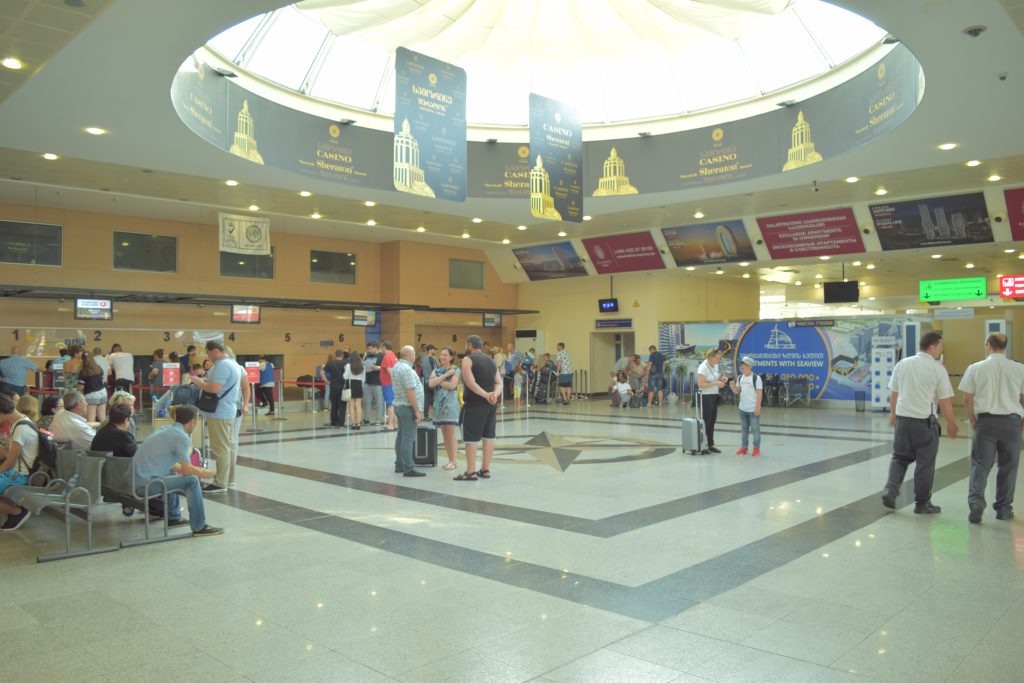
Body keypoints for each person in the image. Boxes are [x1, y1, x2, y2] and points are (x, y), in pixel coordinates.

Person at [881, 331, 958, 514]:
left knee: (899, 458)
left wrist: (892, 414)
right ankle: (922, 503)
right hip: (924, 424)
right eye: (940, 346)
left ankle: (890, 491)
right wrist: (951, 423)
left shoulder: (903, 364)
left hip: (903, 421)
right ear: (932, 346)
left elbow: (894, 393)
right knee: (925, 464)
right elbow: (945, 400)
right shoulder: (937, 368)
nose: (941, 349)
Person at [958, 332, 1024, 523]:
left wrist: (972, 419)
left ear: (988, 345)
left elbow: (967, 397)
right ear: (1005, 346)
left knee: (981, 464)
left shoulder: (975, 368)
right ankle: (1003, 509)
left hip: (985, 423)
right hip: (1011, 423)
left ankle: (977, 503)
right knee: (1008, 466)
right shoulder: (1019, 368)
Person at [132, 404, 222, 536]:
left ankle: (173, 517)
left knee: (170, 473)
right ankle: (199, 526)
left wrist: (197, 470)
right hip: (145, 486)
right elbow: (186, 470)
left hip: (135, 481)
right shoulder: (181, 437)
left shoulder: (165, 430)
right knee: (191, 481)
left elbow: (172, 465)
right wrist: (203, 472)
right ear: (193, 421)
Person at [188, 340, 241, 494]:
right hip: (227, 411)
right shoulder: (233, 364)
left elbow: (214, 388)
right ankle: (229, 479)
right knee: (228, 447)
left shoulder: (223, 365)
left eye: (208, 353)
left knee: (221, 448)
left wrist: (199, 382)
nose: (208, 357)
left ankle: (220, 483)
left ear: (215, 351)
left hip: (220, 412)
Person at [456, 335, 501, 481]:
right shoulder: (491, 360)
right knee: (489, 435)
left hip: (475, 404)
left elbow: (470, 383)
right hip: (491, 405)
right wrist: (494, 394)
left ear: (469, 345)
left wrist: (486, 395)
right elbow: (499, 382)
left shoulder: (467, 360)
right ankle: (485, 469)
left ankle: (471, 471)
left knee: (471, 437)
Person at [0, 392, 34, 531]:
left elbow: (9, 462)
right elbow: (8, 452)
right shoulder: (17, 423)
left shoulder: (21, 428)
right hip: (14, 470)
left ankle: (17, 512)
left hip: (18, 474)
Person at [391, 346, 426, 477]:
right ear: (410, 355)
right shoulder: (406, 370)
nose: (415, 355)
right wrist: (417, 411)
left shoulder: (396, 367)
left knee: (401, 436)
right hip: (407, 407)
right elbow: (410, 391)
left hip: (399, 405)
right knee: (408, 438)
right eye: (414, 353)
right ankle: (408, 468)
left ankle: (399, 464)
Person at [428, 347, 461, 470]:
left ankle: (454, 461)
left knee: (451, 434)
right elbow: (430, 384)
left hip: (450, 405)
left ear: (451, 357)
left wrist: (437, 380)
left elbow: (452, 385)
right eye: (441, 354)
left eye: (445, 355)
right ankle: (450, 460)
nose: (442, 357)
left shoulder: (456, 369)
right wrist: (445, 376)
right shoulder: (437, 370)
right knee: (444, 434)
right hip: (439, 406)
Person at [731, 356, 763, 456]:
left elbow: (759, 394)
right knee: (744, 429)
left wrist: (758, 407)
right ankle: (744, 447)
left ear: (749, 367)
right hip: (742, 409)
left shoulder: (756, 378)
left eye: (743, 366)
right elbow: (737, 391)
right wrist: (733, 387)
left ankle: (756, 448)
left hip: (753, 409)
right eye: (740, 366)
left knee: (755, 429)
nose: (741, 368)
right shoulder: (740, 378)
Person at [696, 349, 727, 454]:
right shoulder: (703, 367)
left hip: (714, 395)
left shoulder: (715, 365)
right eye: (717, 358)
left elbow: (716, 377)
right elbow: (700, 384)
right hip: (705, 397)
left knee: (712, 421)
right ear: (710, 357)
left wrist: (722, 379)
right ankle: (702, 445)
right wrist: (715, 384)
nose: (719, 360)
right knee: (706, 422)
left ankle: (710, 444)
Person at [78, 351, 108, 423]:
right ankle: (107, 432)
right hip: (102, 392)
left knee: (91, 419)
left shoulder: (83, 371)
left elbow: (81, 387)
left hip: (92, 394)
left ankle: (92, 434)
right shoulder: (99, 368)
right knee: (102, 417)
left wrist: (77, 387)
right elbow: (103, 381)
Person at [362, 342, 385, 426]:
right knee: (366, 402)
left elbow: (386, 367)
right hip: (368, 382)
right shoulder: (367, 356)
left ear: (376, 348)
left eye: (371, 349)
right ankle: (366, 419)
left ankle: (379, 419)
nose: (369, 350)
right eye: (368, 349)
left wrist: (378, 368)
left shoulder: (381, 356)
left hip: (378, 383)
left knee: (379, 402)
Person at [324, 349, 348, 428]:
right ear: (342, 355)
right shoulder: (346, 363)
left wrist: (326, 381)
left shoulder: (330, 363)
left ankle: (333, 422)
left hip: (333, 386)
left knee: (334, 405)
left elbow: (321, 372)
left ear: (335, 355)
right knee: (342, 405)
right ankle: (341, 423)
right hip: (342, 386)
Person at [379, 341, 399, 431]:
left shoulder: (386, 357)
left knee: (390, 404)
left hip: (388, 384)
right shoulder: (394, 356)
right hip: (392, 384)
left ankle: (390, 425)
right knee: (393, 404)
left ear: (384, 347)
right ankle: (395, 424)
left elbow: (390, 371)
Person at [344, 351, 365, 430]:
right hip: (359, 385)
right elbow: (363, 379)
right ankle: (358, 423)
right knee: (358, 405)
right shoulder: (362, 365)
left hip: (351, 384)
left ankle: (353, 424)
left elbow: (345, 377)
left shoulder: (348, 365)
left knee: (351, 405)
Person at [421, 345, 438, 418]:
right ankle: (436, 415)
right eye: (434, 349)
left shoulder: (423, 359)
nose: (435, 351)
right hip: (433, 381)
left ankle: (426, 416)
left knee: (427, 399)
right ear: (430, 350)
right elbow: (435, 370)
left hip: (426, 381)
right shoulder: (432, 358)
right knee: (436, 398)